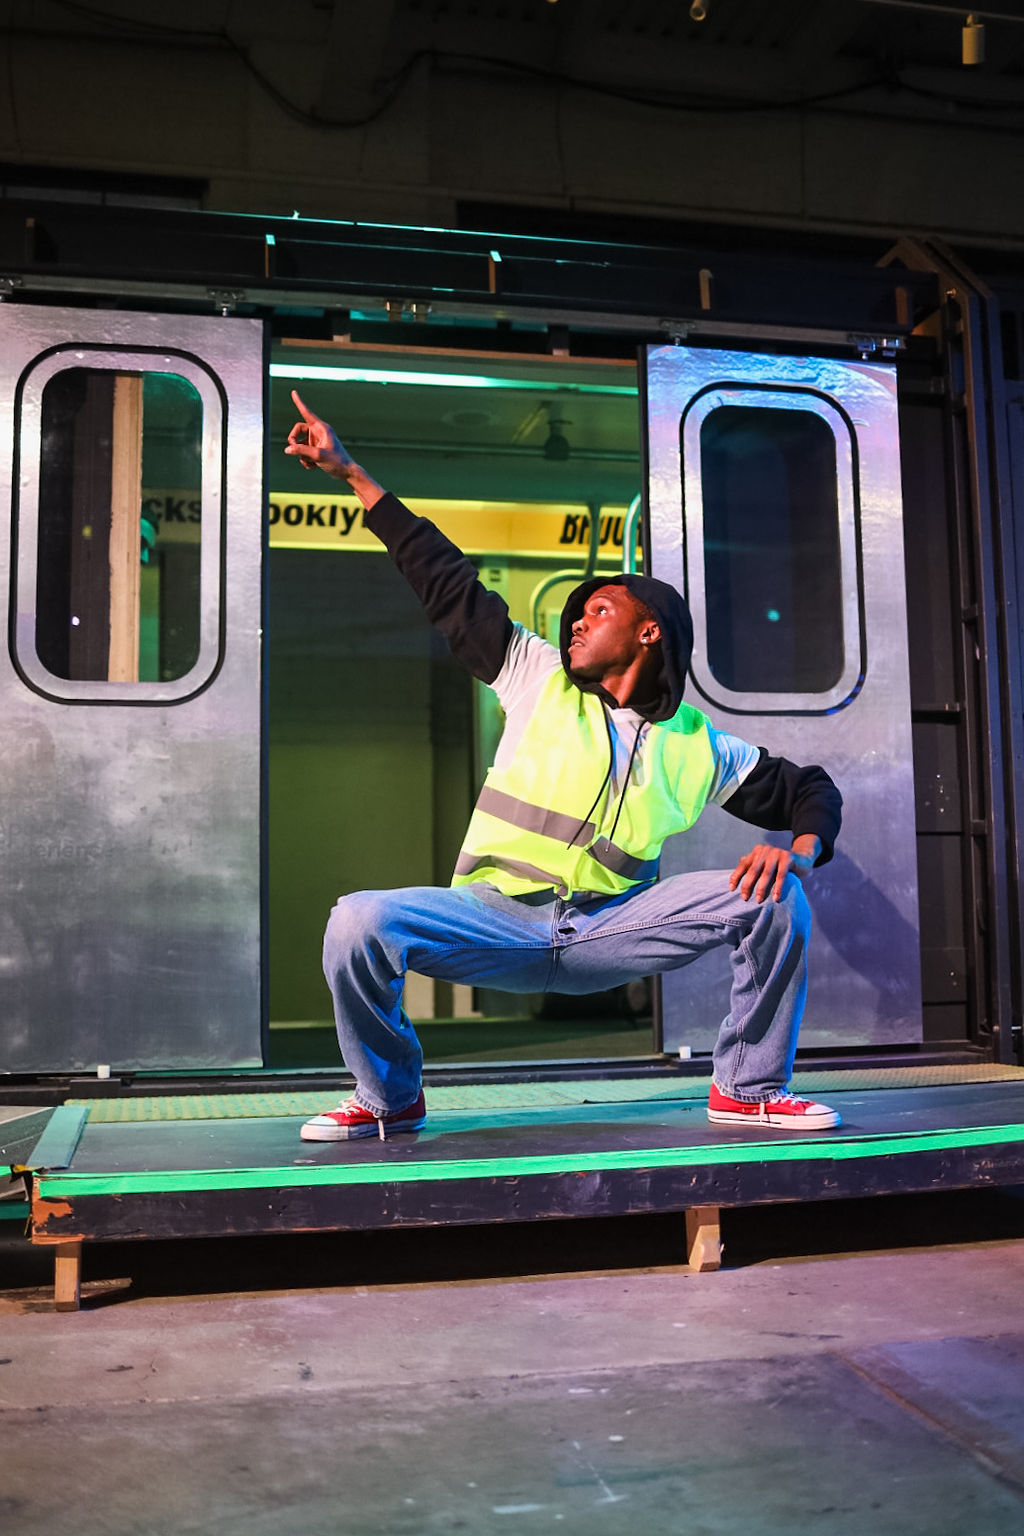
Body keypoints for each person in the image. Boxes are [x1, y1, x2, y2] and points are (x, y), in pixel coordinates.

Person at [285, 391, 844, 1142]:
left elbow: (810, 790)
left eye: (599, 612)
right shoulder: (537, 676)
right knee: (357, 921)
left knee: (775, 899)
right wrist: (354, 475)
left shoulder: (696, 742)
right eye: (576, 614)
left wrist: (799, 851)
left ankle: (747, 1088)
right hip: (496, 922)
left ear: (649, 633)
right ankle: (388, 1097)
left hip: (611, 933)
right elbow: (446, 582)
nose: (578, 619)